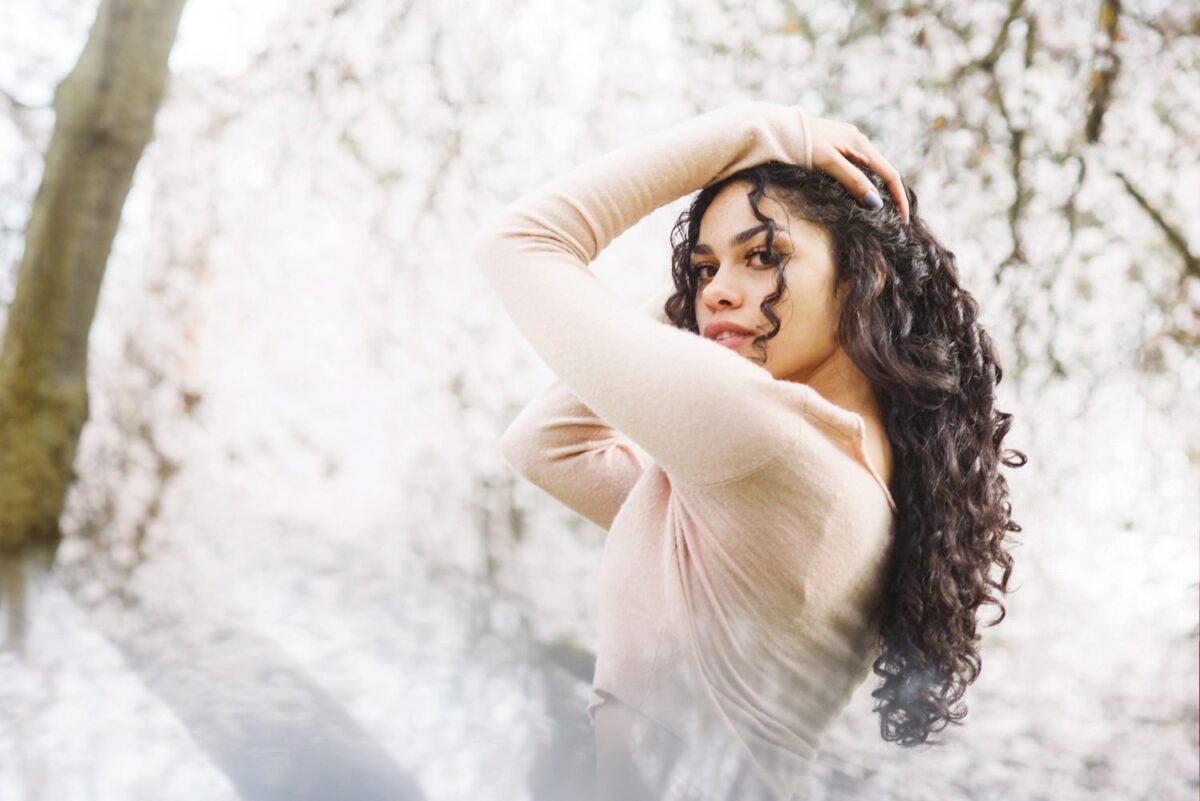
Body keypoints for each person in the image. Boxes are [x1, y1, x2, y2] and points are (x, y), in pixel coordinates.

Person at [471, 101, 1025, 801]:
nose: (719, 290)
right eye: (702, 270)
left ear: (865, 276)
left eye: (765, 255)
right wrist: (719, 303)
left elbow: (516, 241)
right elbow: (549, 445)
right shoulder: (843, 478)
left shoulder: (763, 440)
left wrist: (762, 129)